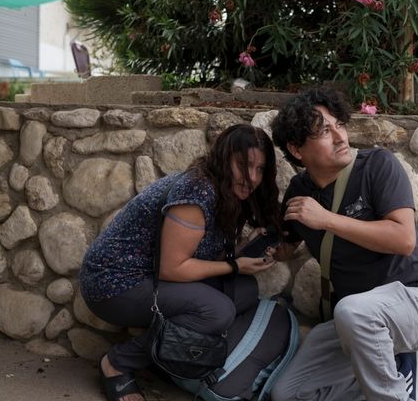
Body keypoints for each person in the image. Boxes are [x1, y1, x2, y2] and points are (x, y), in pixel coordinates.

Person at [79, 124, 282, 401]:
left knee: (244, 290)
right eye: (244, 165)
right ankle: (117, 363)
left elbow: (200, 254)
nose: (252, 178)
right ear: (224, 158)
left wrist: (243, 251)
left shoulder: (226, 191)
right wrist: (235, 266)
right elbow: (172, 268)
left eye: (260, 169)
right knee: (218, 311)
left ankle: (168, 357)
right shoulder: (197, 191)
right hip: (114, 284)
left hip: (153, 278)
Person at [269, 87, 418, 401]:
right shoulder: (299, 191)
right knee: (288, 393)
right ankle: (396, 367)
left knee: (352, 311)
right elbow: (287, 243)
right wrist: (270, 252)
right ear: (297, 150)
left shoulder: (378, 165)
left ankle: (395, 387)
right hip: (357, 323)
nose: (340, 137)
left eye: (340, 125)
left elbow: (404, 239)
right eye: (325, 132)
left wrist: (326, 220)